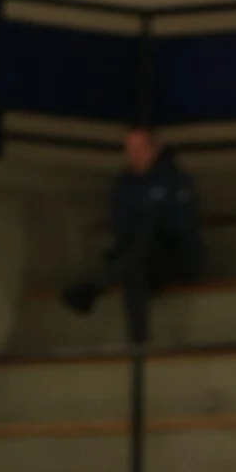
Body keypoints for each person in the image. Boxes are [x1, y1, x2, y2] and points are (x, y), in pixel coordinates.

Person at [63, 128, 204, 344]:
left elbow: (181, 226)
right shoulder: (124, 185)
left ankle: (95, 287)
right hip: (138, 259)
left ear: (155, 148)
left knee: (140, 251)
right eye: (130, 149)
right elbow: (122, 227)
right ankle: (139, 347)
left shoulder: (175, 181)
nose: (135, 154)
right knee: (133, 268)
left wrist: (148, 230)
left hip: (176, 258)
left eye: (141, 147)